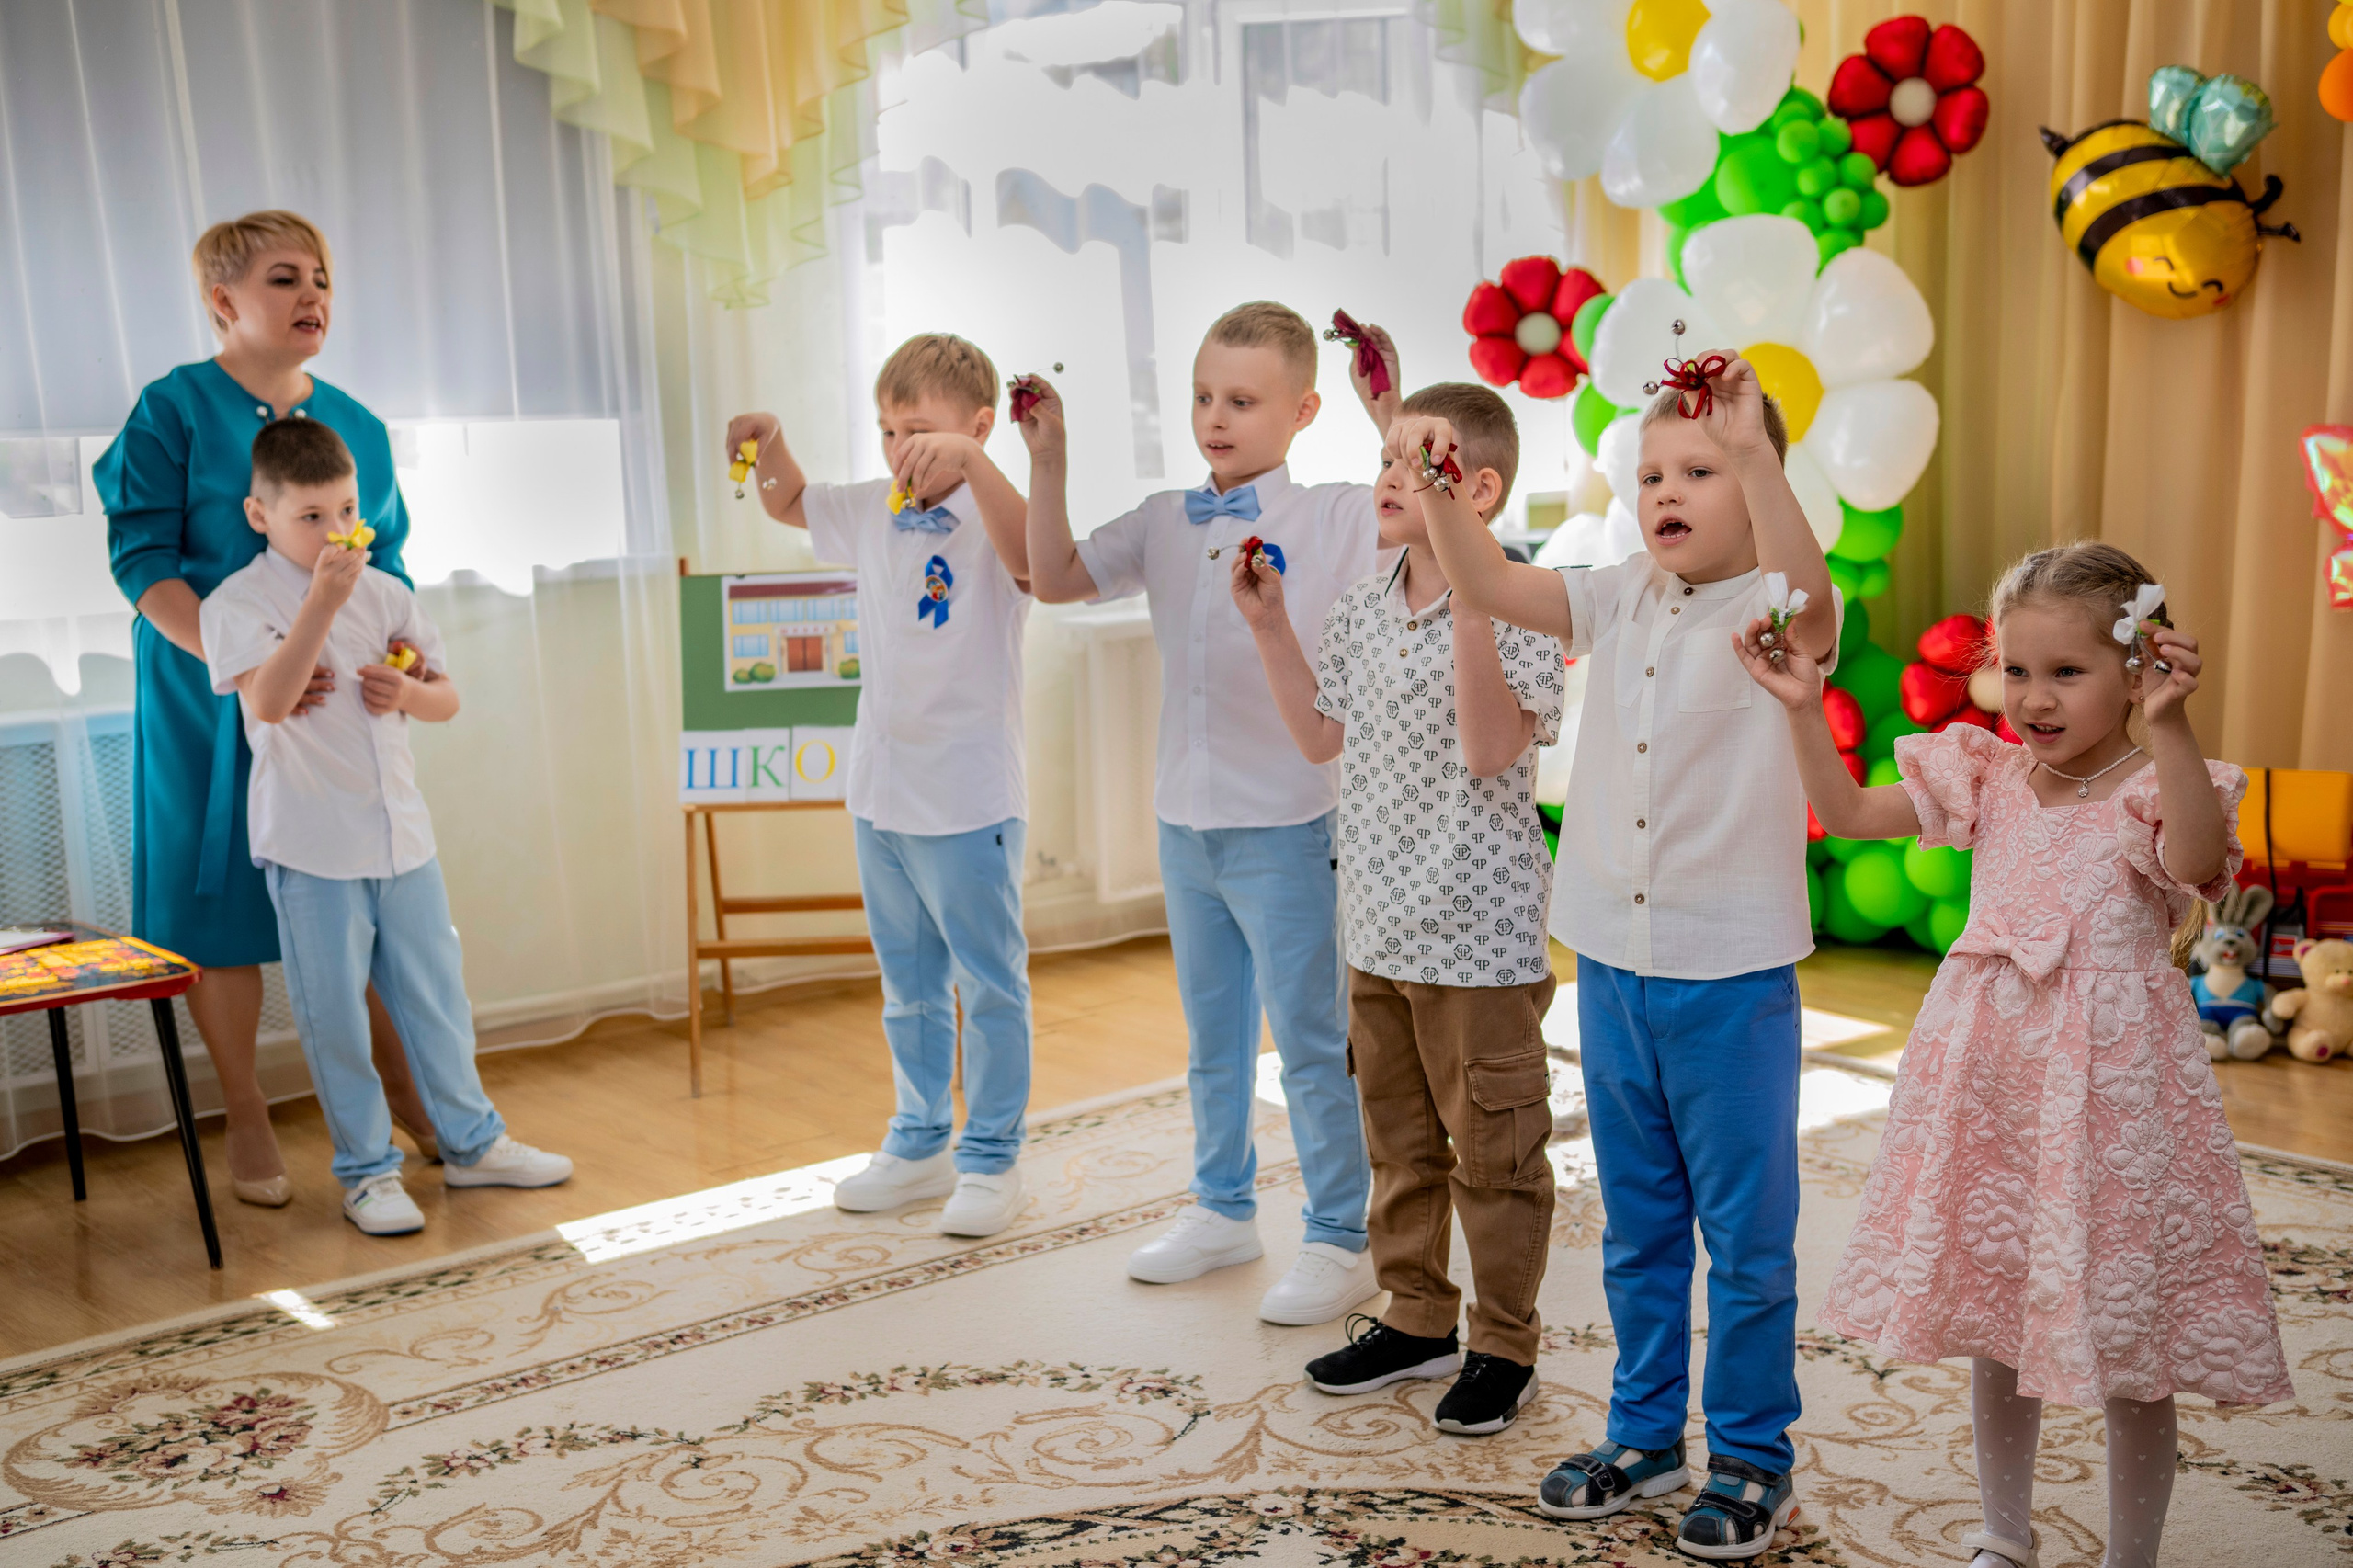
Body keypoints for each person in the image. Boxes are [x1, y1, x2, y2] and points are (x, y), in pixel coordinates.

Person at [1742, 541, 2292, 1568]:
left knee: (2129, 1335)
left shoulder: (2159, 782)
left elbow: (2198, 860)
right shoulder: (1986, 772)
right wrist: (1794, 704)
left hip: (2114, 1087)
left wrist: (2170, 726)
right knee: (1996, 1309)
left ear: (2137, 669)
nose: (2034, 698)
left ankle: (2132, 1554)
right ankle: (2005, 1532)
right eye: (2019, 670)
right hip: (1992, 1072)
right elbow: (1854, 811)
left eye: (2067, 672)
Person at [1416, 358, 1836, 1558]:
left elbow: (1808, 594)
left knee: (1747, 1240)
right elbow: (1487, 578)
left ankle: (1754, 1453)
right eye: (1651, 471)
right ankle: (1645, 1433)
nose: (1668, 489)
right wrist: (1448, 495)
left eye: (1700, 470)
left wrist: (1750, 446)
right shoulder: (1617, 592)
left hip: (1735, 978)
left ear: (1759, 485)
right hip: (1612, 969)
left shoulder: (1776, 602)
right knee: (1641, 1224)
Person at [1017, 302, 1402, 1326]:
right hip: (1183, 822)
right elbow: (1049, 577)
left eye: (1241, 399)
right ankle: (1224, 1205)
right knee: (1212, 1034)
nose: (1215, 416)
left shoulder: (1329, 516)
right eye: (1202, 396)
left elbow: (1430, 512)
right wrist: (1047, 457)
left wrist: (1389, 409)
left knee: (1311, 1040)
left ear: (1301, 408)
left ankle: (1339, 1233)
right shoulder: (1159, 517)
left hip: (1287, 822)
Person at [1233, 383, 1565, 1434]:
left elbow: (1489, 748)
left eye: (1417, 461)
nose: (1387, 475)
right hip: (1375, 927)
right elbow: (1317, 737)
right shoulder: (1357, 603)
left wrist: (1469, 584)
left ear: (1477, 489)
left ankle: (1503, 1339)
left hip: (1478, 939)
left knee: (1495, 1155)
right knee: (1401, 1142)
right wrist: (1270, 623)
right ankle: (1416, 1310)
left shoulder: (1521, 600)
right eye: (1383, 455)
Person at [97, 210, 438, 1209]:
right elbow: (142, 559)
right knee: (221, 902)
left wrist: (403, 668)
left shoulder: (356, 426)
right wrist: (243, 665)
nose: (313, 296)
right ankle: (244, 1109)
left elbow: (390, 568)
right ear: (223, 301)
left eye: (322, 278)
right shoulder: (173, 408)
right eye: (286, 279)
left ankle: (415, 1100)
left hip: (332, 699)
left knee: (359, 887)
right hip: (206, 692)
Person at [199, 420, 573, 1234]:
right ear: (260, 515)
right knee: (335, 1015)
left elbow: (445, 696)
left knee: (438, 1000)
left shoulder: (388, 592)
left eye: (347, 511)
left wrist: (407, 694)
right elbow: (265, 701)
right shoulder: (237, 603)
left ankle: (473, 1145)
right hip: (311, 847)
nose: (336, 533)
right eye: (311, 517)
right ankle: (368, 1173)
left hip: (404, 838)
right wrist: (322, 601)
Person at [726, 334, 1037, 1240]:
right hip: (882, 789)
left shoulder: (1000, 515)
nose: (901, 449)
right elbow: (786, 499)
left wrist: (981, 467)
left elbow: (1038, 565)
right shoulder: (871, 507)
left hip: (969, 793)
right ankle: (919, 1139)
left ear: (978, 430)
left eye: (922, 430)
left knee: (988, 985)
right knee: (907, 984)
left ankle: (991, 1155)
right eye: (887, 429)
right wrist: (772, 439)